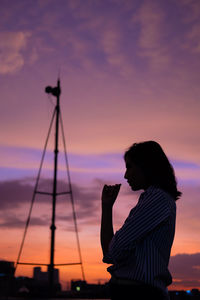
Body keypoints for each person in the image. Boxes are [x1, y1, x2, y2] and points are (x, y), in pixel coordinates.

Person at [100, 141, 181, 300]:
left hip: (140, 294)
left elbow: (114, 249)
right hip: (134, 293)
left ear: (146, 166)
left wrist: (117, 248)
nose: (125, 175)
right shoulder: (151, 200)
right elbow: (109, 253)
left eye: (129, 166)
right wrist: (107, 207)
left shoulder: (157, 198)